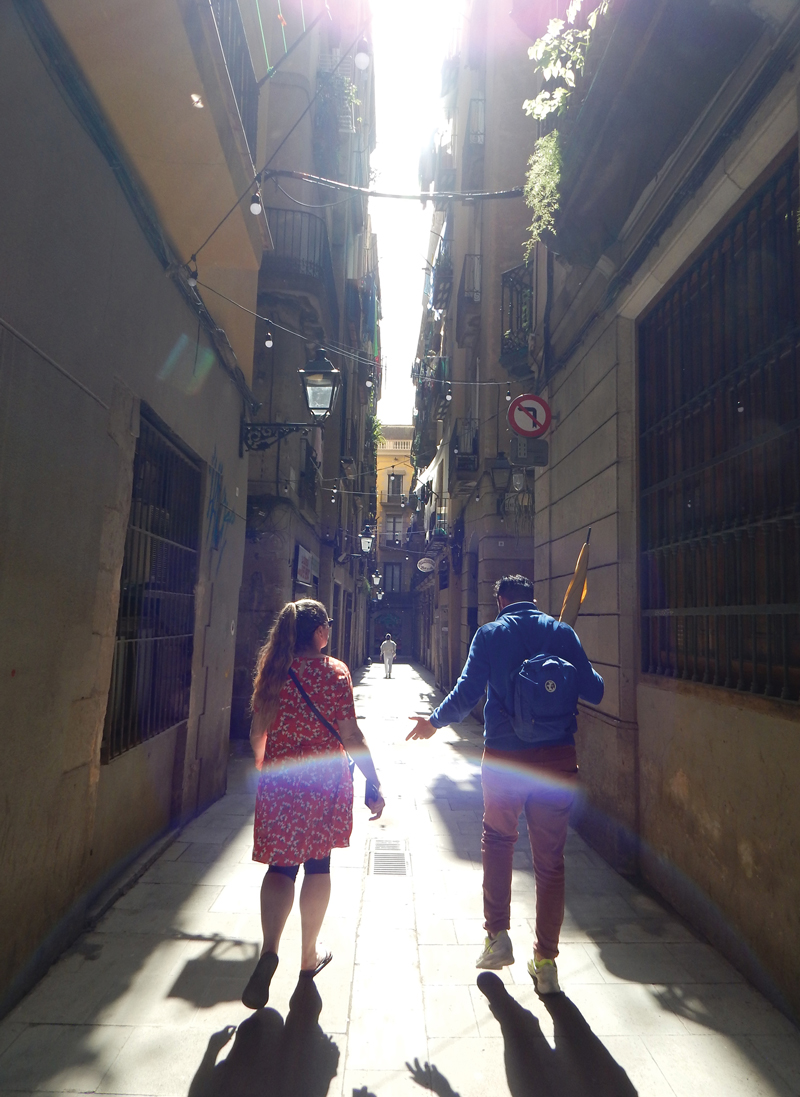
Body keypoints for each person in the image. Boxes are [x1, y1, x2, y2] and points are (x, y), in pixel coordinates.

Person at [407, 575, 603, 994]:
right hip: (556, 762)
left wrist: (433, 723)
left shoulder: (490, 634)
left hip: (504, 761)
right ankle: (546, 962)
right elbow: (596, 690)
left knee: (497, 840)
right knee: (550, 863)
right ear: (533, 599)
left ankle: (497, 937)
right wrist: (568, 662)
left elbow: (466, 693)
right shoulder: (562, 632)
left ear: (500, 601)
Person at [243, 599, 385, 1009]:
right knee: (317, 864)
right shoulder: (334, 673)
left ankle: (270, 949)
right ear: (320, 632)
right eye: (328, 625)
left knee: (281, 865)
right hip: (324, 782)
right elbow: (351, 736)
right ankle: (307, 956)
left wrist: (263, 762)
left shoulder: (273, 671)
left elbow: (257, 730)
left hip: (281, 779)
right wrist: (373, 780)